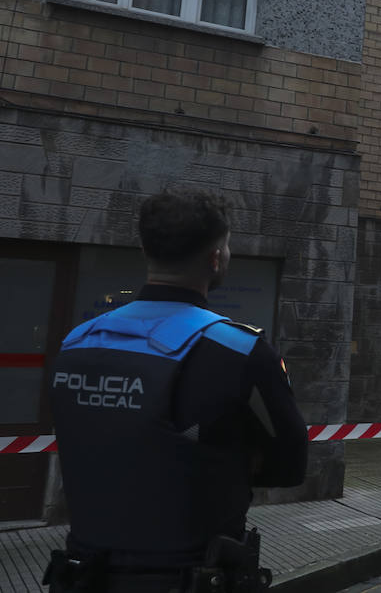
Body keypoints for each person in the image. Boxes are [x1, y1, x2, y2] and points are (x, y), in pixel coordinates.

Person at [45, 190, 308, 592]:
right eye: (228, 245)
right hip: (188, 575)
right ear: (216, 258)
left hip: (82, 575)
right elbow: (289, 465)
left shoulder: (78, 342)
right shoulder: (240, 351)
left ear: (146, 250)